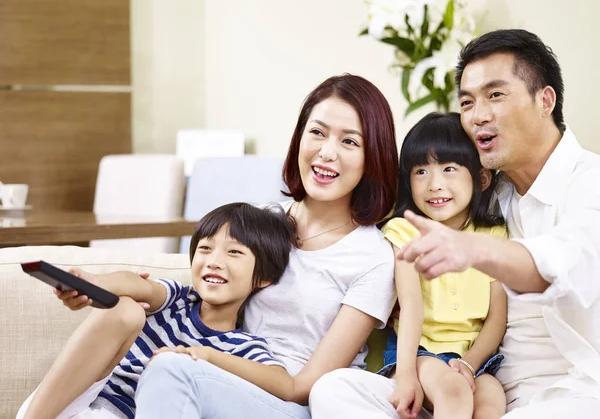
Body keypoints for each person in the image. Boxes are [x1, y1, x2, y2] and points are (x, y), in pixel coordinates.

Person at [314, 29, 600, 418]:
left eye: (495, 95)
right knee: (335, 389)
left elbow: (563, 260)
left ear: (544, 100)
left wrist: (471, 249)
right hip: (458, 385)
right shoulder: (486, 189)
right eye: (467, 101)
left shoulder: (589, 183)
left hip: (566, 395)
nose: (478, 115)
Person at [132, 73, 399, 419]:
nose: (326, 152)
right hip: (220, 382)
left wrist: (206, 358)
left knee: (171, 371)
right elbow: (204, 298)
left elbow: (305, 387)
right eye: (316, 133)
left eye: (349, 142)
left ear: (372, 157)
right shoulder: (259, 221)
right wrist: (149, 297)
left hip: (293, 405)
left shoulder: (373, 257)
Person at [309, 112, 508, 419]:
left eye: (449, 169)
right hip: (420, 354)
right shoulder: (404, 233)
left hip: (475, 359)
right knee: (453, 390)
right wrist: (406, 376)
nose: (434, 184)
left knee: (492, 402)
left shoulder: (493, 236)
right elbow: (411, 307)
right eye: (420, 172)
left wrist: (470, 362)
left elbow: (497, 316)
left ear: (481, 178)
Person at [18, 202, 296, 419]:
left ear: (262, 277)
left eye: (233, 252)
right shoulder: (177, 298)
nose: (214, 261)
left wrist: (205, 356)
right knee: (126, 309)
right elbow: (136, 285)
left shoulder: (240, 345)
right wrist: (94, 283)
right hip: (62, 405)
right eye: (205, 248)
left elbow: (283, 384)